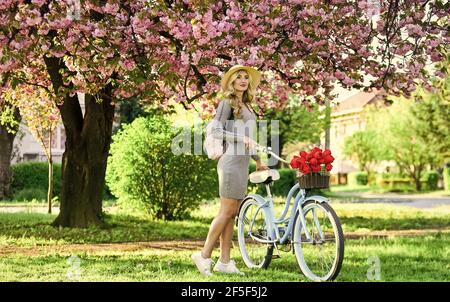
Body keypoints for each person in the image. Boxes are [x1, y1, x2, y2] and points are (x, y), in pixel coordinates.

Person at [192, 65, 269, 276]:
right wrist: (239, 138)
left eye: (246, 77)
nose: (243, 80)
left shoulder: (246, 105)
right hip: (230, 163)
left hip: (242, 163)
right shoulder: (227, 103)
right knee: (226, 211)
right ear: (232, 82)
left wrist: (258, 160)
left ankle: (225, 262)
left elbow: (248, 139)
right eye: (239, 78)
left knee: (232, 213)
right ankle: (204, 255)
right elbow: (216, 130)